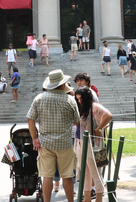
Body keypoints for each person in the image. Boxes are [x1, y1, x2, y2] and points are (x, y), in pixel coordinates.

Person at [27, 69, 80, 202]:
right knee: (67, 176)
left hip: (45, 143)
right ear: (62, 85)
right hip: (65, 143)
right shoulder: (70, 100)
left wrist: (35, 138)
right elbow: (76, 120)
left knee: (47, 176)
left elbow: (30, 119)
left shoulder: (39, 98)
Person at [74, 86, 112, 202]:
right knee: (85, 173)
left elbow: (109, 115)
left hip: (91, 143)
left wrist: (98, 128)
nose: (80, 101)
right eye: (78, 99)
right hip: (80, 142)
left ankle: (99, 198)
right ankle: (87, 198)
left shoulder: (94, 107)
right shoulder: (81, 109)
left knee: (95, 173)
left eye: (81, 99)